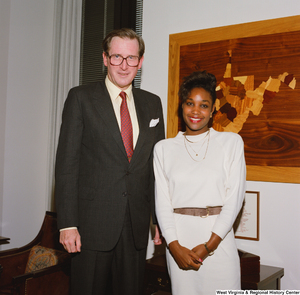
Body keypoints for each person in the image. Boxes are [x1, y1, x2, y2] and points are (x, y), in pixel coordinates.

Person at [55, 28, 165, 295]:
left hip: (136, 227)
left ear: (140, 61)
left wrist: (158, 219)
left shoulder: (153, 104)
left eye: (131, 58)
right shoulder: (80, 98)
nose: (124, 65)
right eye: (117, 57)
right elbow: (67, 166)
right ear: (105, 59)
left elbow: (156, 168)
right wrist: (68, 224)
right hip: (91, 227)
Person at [153, 71, 246, 295]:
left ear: (213, 108)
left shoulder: (231, 143)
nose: (196, 111)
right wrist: (174, 247)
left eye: (204, 105)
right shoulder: (163, 149)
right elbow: (162, 203)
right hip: (179, 246)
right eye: (189, 103)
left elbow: (234, 201)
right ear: (182, 106)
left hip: (219, 245)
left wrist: (209, 246)